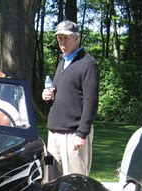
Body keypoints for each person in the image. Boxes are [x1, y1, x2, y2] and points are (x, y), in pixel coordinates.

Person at [42, 20, 99, 179]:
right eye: (59, 38)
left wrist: (82, 133)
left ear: (76, 38)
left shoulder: (88, 64)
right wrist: (47, 96)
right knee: (50, 178)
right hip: (53, 134)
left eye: (66, 37)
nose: (62, 41)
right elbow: (62, 94)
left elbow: (91, 101)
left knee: (76, 183)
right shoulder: (62, 63)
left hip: (74, 135)